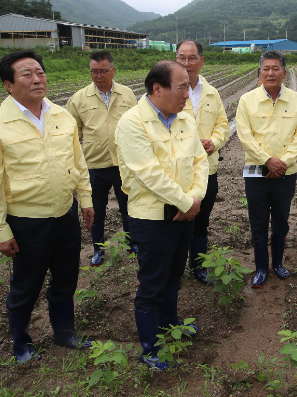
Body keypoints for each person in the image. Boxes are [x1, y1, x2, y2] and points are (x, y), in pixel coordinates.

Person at [0, 50, 94, 363]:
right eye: (26, 74)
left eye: (39, 72)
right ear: (8, 84)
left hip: (64, 213)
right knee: (26, 285)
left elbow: (78, 162)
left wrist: (85, 198)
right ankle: (21, 343)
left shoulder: (61, 115)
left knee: (66, 277)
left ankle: (64, 332)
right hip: (27, 220)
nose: (36, 79)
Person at [115, 60, 208, 370]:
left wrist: (194, 198)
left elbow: (200, 161)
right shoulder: (132, 123)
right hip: (152, 218)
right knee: (152, 282)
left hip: (184, 213)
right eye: (182, 86)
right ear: (158, 89)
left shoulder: (184, 119)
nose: (187, 93)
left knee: (173, 276)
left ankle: (171, 325)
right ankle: (149, 348)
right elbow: (148, 173)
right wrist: (186, 202)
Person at [236, 50, 297, 287]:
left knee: (281, 219)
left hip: (286, 173)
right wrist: (267, 160)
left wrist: (283, 162)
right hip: (256, 172)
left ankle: (277, 263)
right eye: (266, 69)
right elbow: (245, 136)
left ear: (284, 73)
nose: (270, 73)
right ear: (259, 73)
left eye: (275, 68)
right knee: (257, 220)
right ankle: (260, 268)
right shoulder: (247, 101)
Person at [66, 51, 138, 266]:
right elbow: (72, 133)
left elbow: (137, 125)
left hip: (123, 164)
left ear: (113, 70)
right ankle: (98, 249)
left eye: (103, 71)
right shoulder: (78, 99)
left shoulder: (127, 94)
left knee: (129, 206)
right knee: (95, 210)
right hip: (94, 165)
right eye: (94, 71)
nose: (98, 75)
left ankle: (131, 243)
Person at [176, 41, 229, 284]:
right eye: (182, 58)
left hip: (207, 168)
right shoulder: (168, 90)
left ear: (202, 60)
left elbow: (222, 125)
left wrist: (214, 142)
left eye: (192, 58)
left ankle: (198, 266)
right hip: (178, 171)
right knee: (177, 220)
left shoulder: (212, 92)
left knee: (201, 220)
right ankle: (175, 266)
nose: (187, 63)